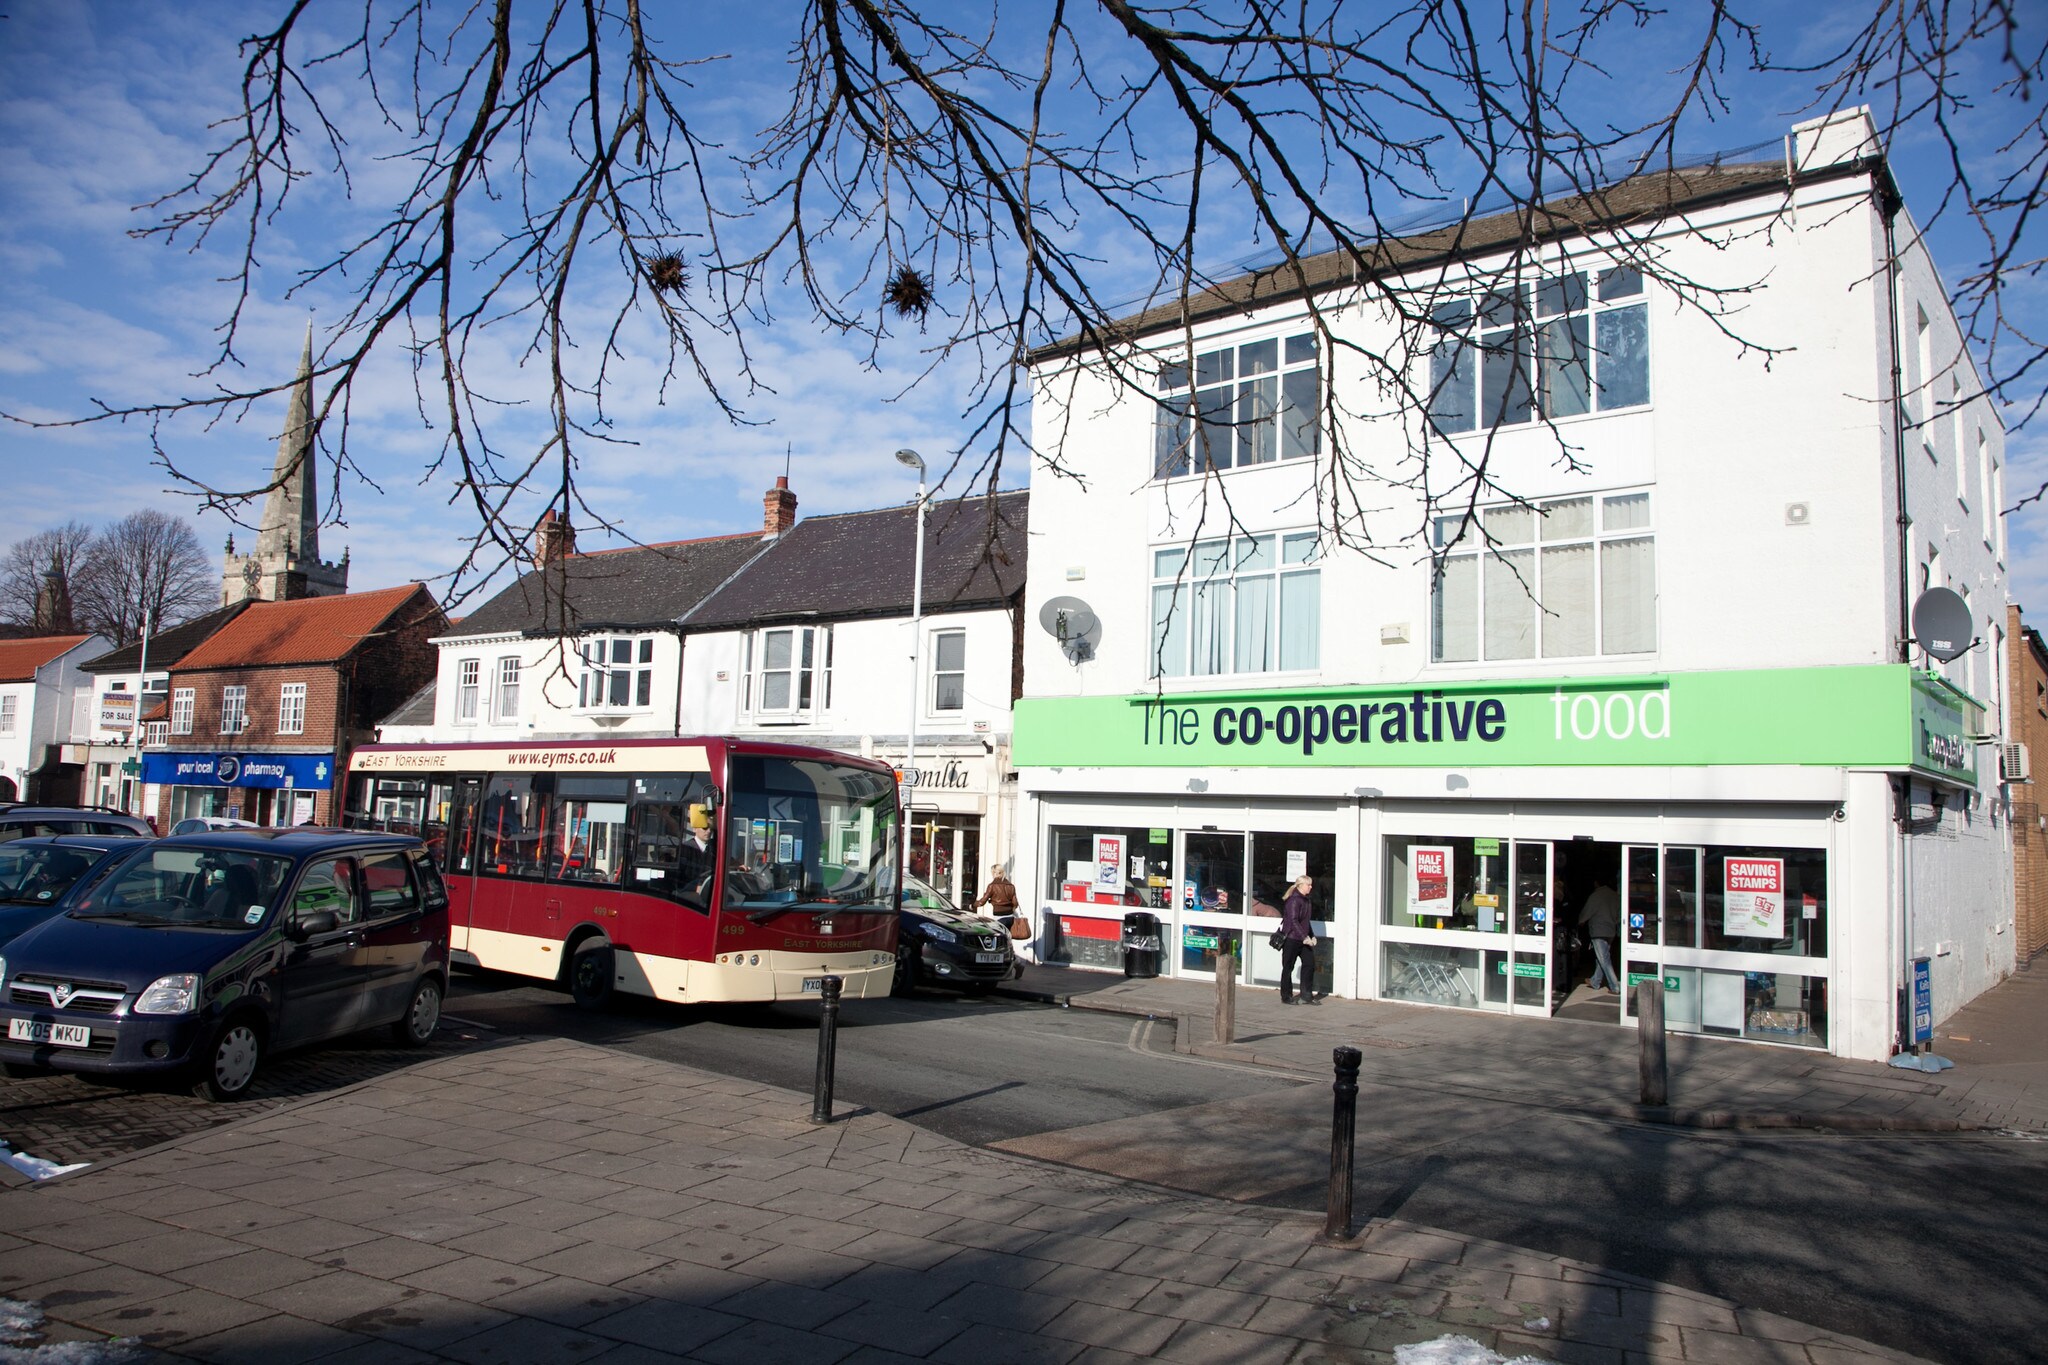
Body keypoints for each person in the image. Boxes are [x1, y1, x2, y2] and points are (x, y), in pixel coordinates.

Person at [974, 863, 1029, 963]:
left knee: (997, 943)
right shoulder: (1010, 886)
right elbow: (1015, 903)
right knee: (1005, 941)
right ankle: (1015, 962)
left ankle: (1016, 962)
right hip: (1010, 918)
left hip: (999, 919)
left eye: (992, 873)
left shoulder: (992, 886)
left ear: (995, 873)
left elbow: (982, 902)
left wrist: (972, 905)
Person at [1278, 874, 1319, 1005]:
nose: (1311, 887)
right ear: (1301, 886)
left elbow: (1306, 921)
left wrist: (1312, 935)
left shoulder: (1306, 900)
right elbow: (1294, 921)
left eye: (1311, 884)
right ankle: (1286, 996)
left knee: (1309, 964)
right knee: (1288, 967)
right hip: (1291, 938)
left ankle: (1306, 995)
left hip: (1303, 939)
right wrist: (1304, 937)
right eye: (1309, 885)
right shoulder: (1294, 900)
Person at [1579, 871, 1622, 993]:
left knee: (1604, 959)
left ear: (1596, 883)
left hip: (1598, 930)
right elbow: (1619, 915)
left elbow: (1587, 911)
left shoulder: (1595, 896)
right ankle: (1595, 981)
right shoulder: (1615, 896)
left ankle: (1614, 986)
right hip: (1610, 931)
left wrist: (1581, 921)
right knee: (1602, 957)